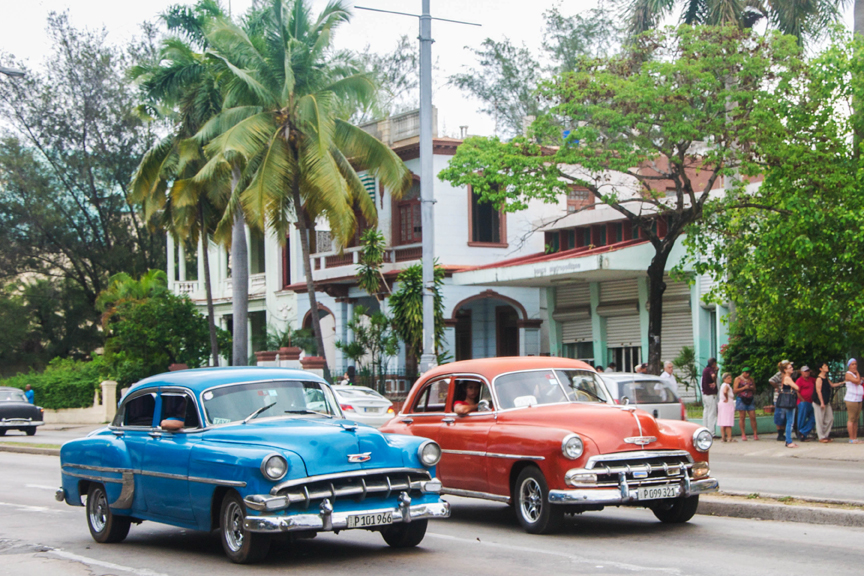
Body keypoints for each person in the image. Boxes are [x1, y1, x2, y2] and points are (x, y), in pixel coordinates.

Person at [814, 362, 842, 443]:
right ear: (821, 369)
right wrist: (822, 402)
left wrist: (842, 383)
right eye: (825, 366)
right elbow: (818, 391)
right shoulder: (819, 378)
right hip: (819, 402)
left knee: (830, 418)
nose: (827, 367)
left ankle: (825, 435)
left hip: (826, 401)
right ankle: (821, 436)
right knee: (820, 419)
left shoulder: (825, 377)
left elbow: (832, 385)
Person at [777, 361, 800, 448]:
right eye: (790, 368)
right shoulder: (788, 378)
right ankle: (788, 441)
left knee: (789, 421)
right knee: (790, 421)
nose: (792, 369)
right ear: (785, 370)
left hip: (786, 400)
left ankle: (788, 440)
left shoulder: (784, 377)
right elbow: (797, 387)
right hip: (789, 401)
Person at [733, 368, 758, 441]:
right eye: (746, 373)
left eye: (749, 373)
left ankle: (755, 433)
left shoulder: (751, 379)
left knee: (753, 416)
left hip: (750, 398)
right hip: (741, 398)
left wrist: (751, 388)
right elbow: (735, 390)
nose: (748, 374)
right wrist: (744, 388)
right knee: (742, 416)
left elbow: (754, 389)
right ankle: (743, 434)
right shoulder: (738, 379)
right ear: (743, 372)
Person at [769, 360, 791, 441]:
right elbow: (771, 380)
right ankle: (780, 433)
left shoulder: (789, 374)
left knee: (784, 415)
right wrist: (777, 387)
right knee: (779, 415)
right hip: (779, 397)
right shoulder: (779, 374)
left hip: (786, 397)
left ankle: (783, 433)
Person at [795, 366, 817, 441]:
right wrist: (802, 399)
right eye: (805, 371)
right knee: (802, 418)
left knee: (814, 418)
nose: (807, 372)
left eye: (808, 371)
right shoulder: (799, 380)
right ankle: (801, 435)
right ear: (801, 372)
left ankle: (803, 432)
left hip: (811, 402)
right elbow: (797, 391)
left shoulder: (811, 379)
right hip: (803, 402)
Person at [844, 359, 863, 444]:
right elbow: (857, 382)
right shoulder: (848, 374)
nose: (854, 366)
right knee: (851, 418)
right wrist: (858, 374)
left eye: (855, 364)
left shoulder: (854, 374)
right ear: (849, 366)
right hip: (851, 399)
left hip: (858, 398)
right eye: (852, 364)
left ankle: (855, 437)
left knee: (856, 419)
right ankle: (851, 438)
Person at [702, 358, 719, 437]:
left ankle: (705, 429)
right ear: (714, 363)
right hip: (711, 394)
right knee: (712, 413)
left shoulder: (705, 370)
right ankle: (711, 432)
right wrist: (714, 381)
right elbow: (713, 376)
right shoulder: (710, 370)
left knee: (706, 412)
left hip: (705, 394)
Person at [718, 373, 736, 442]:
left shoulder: (722, 385)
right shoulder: (727, 385)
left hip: (722, 404)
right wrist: (726, 398)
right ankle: (729, 437)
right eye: (728, 378)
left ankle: (723, 437)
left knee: (722, 421)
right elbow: (725, 392)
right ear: (724, 379)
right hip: (727, 405)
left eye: (730, 378)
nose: (730, 379)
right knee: (728, 421)